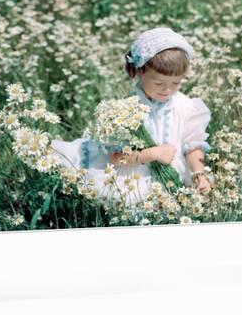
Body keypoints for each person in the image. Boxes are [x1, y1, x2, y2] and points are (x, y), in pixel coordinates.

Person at [51, 27, 212, 205]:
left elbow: (193, 146)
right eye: (158, 83)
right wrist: (151, 154)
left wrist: (198, 172)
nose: (167, 90)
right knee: (130, 198)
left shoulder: (186, 107)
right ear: (140, 72)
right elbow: (115, 157)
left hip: (175, 170)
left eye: (176, 83)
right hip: (134, 172)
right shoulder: (124, 111)